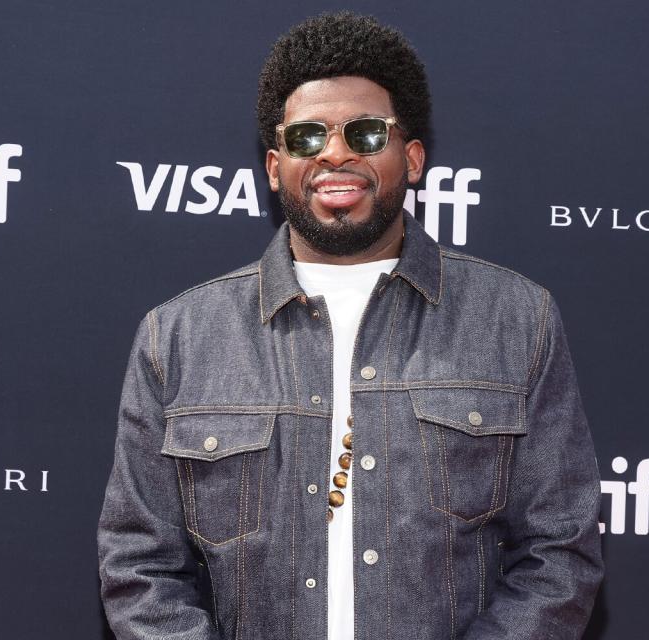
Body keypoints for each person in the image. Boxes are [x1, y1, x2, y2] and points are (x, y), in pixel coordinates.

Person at [98, 11, 603, 640]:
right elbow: (140, 565)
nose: (334, 153)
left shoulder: (516, 320)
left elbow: (559, 556)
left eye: (365, 133)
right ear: (275, 165)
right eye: (307, 137)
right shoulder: (177, 336)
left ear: (412, 158)